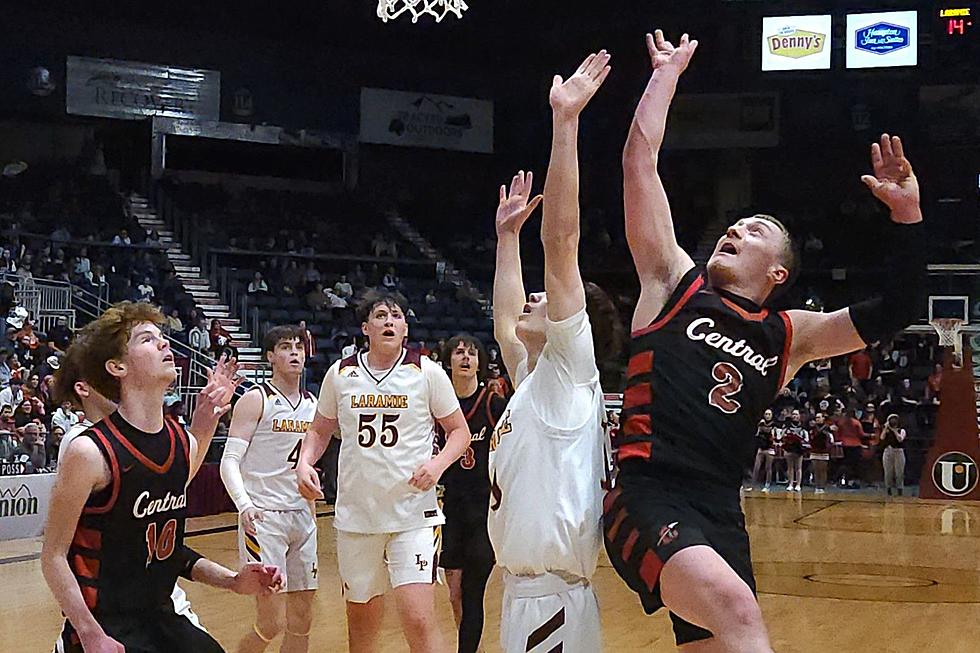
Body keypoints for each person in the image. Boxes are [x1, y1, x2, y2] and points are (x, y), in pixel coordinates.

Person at [604, 29, 926, 651]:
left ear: (778, 273)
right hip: (646, 493)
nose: (735, 228)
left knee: (722, 639)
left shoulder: (791, 334)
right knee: (741, 615)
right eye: (735, 224)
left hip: (722, 510)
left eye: (754, 231)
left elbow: (900, 308)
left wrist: (908, 217)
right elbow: (639, 161)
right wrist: (665, 75)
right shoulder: (672, 282)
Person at [40, 302, 280, 653]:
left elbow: (168, 550)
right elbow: (53, 556)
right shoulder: (89, 451)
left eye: (162, 336)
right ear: (117, 367)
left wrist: (233, 581)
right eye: (147, 339)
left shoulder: (180, 442)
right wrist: (91, 635)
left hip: (160, 616)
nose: (165, 344)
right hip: (105, 627)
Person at [489, 49, 621, 653]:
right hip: (525, 594)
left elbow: (562, 240)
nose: (535, 297)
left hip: (551, 598)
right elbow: (504, 323)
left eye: (549, 297)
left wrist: (564, 123)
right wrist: (506, 239)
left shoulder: (570, 372)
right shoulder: (536, 381)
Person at [296, 291, 471, 653]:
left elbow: (460, 432)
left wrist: (437, 465)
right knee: (361, 627)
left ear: (405, 328)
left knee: (419, 619)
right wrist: (304, 462)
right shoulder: (341, 373)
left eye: (396, 316)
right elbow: (319, 429)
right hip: (357, 516)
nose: (389, 321)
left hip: (413, 514)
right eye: (380, 315)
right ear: (365, 328)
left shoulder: (426, 371)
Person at [221, 325, 319, 653]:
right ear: (270, 357)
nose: (294, 353)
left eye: (298, 347)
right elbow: (229, 461)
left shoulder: (313, 404)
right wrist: (244, 505)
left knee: (303, 620)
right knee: (271, 622)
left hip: (303, 516)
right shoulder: (255, 399)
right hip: (264, 519)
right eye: (285, 347)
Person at [436, 334, 507, 653]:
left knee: (472, 590)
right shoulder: (436, 407)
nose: (466, 358)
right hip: (449, 511)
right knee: (455, 594)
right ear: (448, 361)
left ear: (479, 362)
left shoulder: (492, 404)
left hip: (484, 513)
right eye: (459, 353)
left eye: (472, 353)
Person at [748, 408, 776, 492]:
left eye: (769, 414)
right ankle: (752, 485)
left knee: (768, 467)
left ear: (772, 415)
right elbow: (756, 435)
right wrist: (759, 426)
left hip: (770, 448)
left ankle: (767, 485)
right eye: (766, 414)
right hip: (761, 448)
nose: (767, 416)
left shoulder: (774, 425)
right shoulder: (761, 424)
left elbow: (775, 437)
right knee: (756, 467)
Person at [880, 413, 907, 496]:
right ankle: (888, 489)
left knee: (899, 472)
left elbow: (900, 439)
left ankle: (900, 489)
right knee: (888, 472)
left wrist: (894, 430)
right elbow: (882, 438)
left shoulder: (902, 430)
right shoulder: (886, 431)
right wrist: (885, 428)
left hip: (898, 451)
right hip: (888, 451)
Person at [782, 409, 808, 492]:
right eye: (793, 414)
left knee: (798, 467)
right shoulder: (787, 426)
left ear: (799, 416)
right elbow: (782, 436)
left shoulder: (803, 426)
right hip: (789, 448)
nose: (795, 416)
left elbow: (806, 438)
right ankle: (790, 483)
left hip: (799, 449)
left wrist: (800, 439)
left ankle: (798, 484)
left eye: (796, 414)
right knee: (790, 467)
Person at [808, 413, 835, 494]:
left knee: (823, 470)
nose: (817, 419)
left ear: (823, 418)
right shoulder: (813, 428)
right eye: (816, 417)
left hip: (824, 451)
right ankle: (817, 486)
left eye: (819, 417)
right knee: (815, 470)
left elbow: (831, 439)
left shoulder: (828, 428)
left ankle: (822, 487)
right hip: (814, 450)